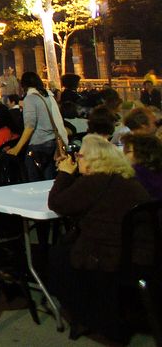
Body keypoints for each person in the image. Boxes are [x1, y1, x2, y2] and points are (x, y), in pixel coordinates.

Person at [47, 134, 152, 340]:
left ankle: (84, 315)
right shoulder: (126, 180)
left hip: (106, 256)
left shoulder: (95, 182)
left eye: (80, 156)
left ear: (94, 159)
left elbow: (57, 203)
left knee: (58, 256)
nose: (77, 160)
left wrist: (65, 174)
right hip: (141, 253)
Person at [7, 71, 64, 181]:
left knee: (34, 181)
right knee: (49, 180)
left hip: (38, 145)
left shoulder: (30, 99)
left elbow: (30, 126)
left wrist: (17, 148)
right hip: (51, 143)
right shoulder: (45, 97)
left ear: (23, 85)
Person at [123, 134, 162, 200]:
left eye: (128, 151)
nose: (123, 155)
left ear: (142, 153)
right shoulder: (155, 169)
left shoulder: (136, 172)